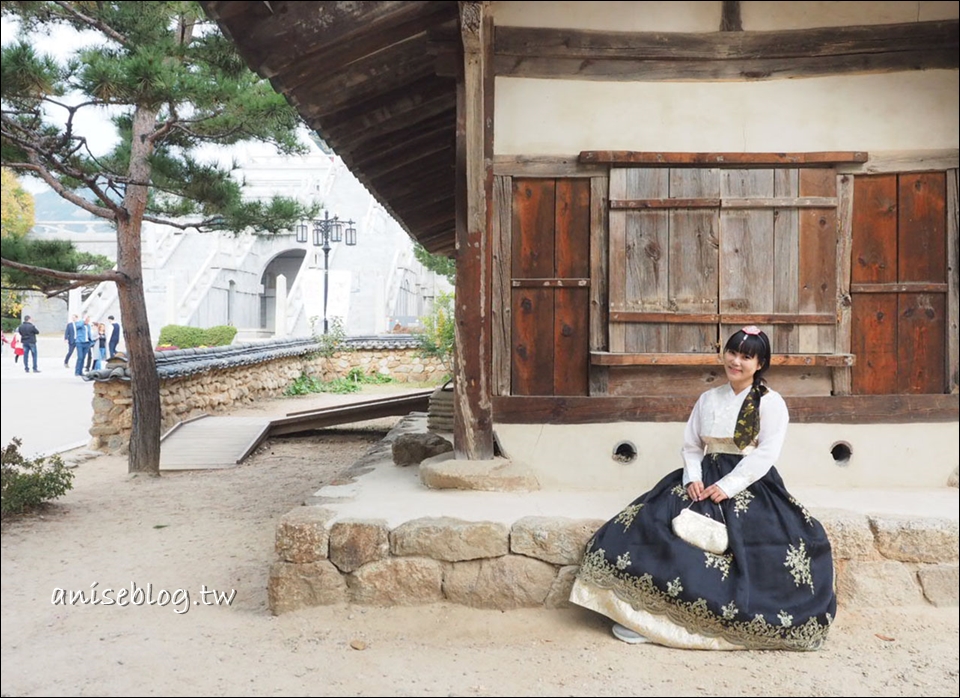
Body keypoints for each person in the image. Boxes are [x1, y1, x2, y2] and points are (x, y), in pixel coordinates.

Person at [570, 326, 836, 651]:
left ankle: (699, 623)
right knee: (650, 522)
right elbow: (692, 445)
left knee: (762, 548)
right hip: (702, 478)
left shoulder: (770, 403)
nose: (736, 361)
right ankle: (647, 617)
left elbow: (766, 453)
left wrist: (727, 486)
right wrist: (692, 479)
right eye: (732, 353)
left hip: (749, 482)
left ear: (760, 363)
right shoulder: (708, 399)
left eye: (746, 357)